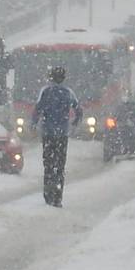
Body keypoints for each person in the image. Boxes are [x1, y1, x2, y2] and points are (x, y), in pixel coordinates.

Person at [31, 66, 82, 207]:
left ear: (51, 77)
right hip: (62, 135)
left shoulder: (46, 92)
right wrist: (74, 123)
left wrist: (34, 124)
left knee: (48, 165)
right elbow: (78, 110)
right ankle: (57, 197)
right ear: (63, 78)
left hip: (48, 134)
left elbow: (37, 110)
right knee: (60, 166)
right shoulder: (68, 93)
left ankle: (48, 196)